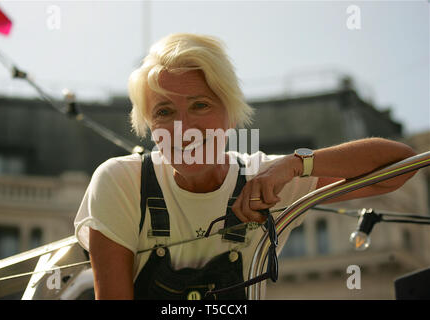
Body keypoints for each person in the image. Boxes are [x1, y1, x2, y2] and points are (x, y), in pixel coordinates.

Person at [73, 33, 417, 300]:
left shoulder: (267, 179)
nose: (184, 127)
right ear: (148, 125)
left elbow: (402, 164)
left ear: (230, 114)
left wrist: (296, 165)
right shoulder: (120, 182)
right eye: (164, 112)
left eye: (200, 105)